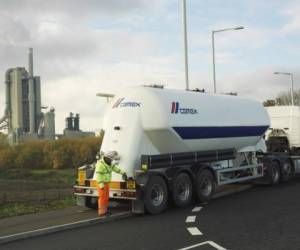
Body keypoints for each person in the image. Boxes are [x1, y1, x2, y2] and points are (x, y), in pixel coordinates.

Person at [95, 151, 127, 216]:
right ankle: (101, 212)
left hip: (106, 183)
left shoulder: (109, 163)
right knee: (102, 197)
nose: (111, 160)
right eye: (110, 159)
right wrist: (101, 185)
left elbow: (115, 169)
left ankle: (105, 211)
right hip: (101, 184)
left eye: (111, 159)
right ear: (107, 158)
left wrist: (122, 172)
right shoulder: (100, 164)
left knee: (106, 197)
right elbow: (98, 175)